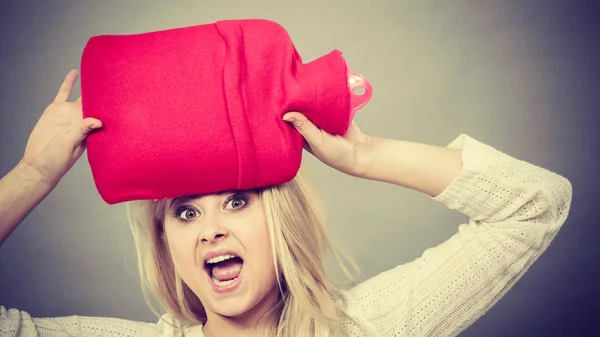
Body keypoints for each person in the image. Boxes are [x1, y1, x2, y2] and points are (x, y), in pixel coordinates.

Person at [0, 70, 572, 337]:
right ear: (165, 242)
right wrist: (29, 177)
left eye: (237, 201)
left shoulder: (371, 326)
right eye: (186, 211)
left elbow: (535, 205)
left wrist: (366, 154)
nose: (210, 230)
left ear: (280, 221)